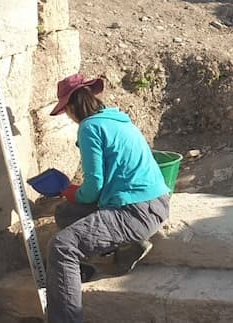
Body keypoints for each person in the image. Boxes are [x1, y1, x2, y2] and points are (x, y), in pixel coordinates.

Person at [46, 74, 171, 323]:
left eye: (66, 112)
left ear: (71, 107)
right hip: (156, 203)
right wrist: (74, 197)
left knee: (62, 247)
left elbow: (93, 187)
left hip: (133, 211)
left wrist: (70, 191)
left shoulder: (89, 127)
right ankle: (127, 247)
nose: (69, 118)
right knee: (65, 214)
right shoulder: (118, 119)